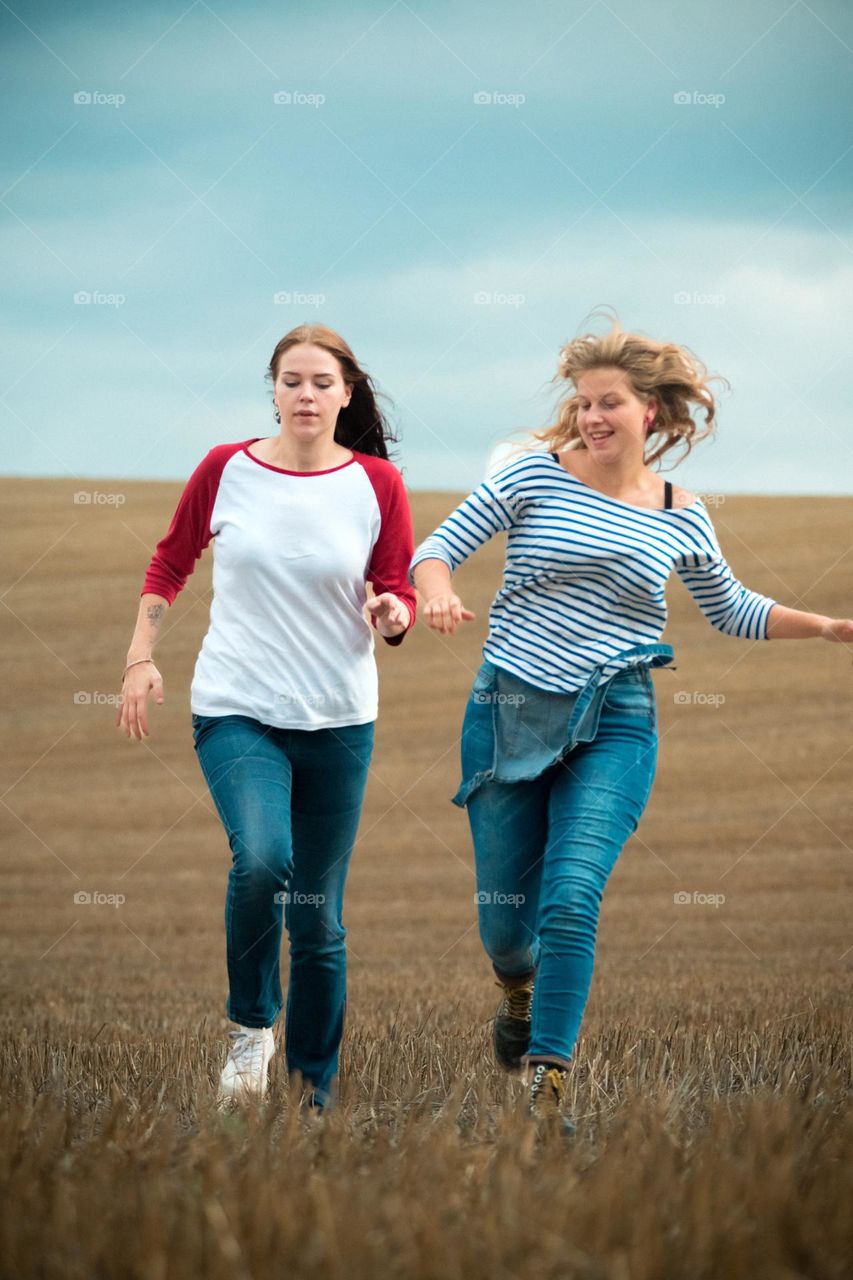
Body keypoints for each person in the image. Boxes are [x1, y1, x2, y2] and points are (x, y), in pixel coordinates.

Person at [410, 316, 853, 1136]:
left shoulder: (684, 514)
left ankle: (548, 1086)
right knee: (506, 929)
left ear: (649, 411)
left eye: (608, 402)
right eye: (582, 404)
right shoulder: (530, 477)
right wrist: (434, 590)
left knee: (572, 896)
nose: (591, 418)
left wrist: (825, 627)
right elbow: (435, 547)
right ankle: (517, 987)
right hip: (509, 711)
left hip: (616, 718)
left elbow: (732, 610)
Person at [116, 324, 416, 1113]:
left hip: (339, 722)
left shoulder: (377, 482)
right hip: (236, 709)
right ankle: (252, 1029)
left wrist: (391, 611)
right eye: (291, 381)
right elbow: (170, 561)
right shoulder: (226, 469)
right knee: (261, 860)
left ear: (346, 392)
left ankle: (311, 1095)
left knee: (318, 919)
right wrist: (139, 657)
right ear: (273, 390)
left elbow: (395, 593)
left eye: (322, 382)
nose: (306, 395)